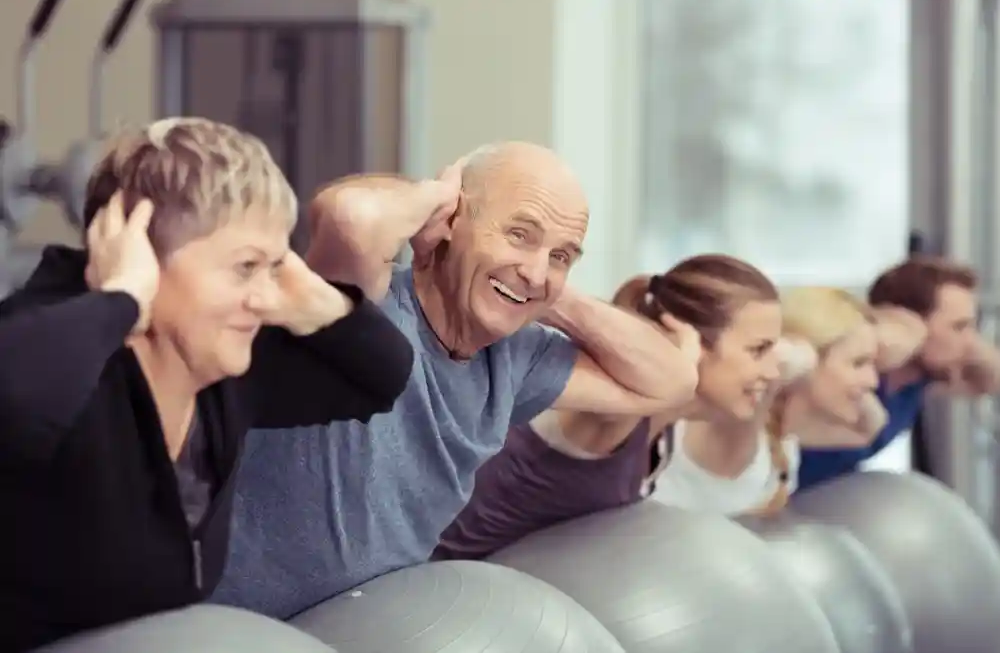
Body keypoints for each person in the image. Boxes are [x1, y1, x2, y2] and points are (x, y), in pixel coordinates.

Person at [211, 141, 702, 619]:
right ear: (452, 223)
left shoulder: (518, 359)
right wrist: (435, 198)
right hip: (231, 629)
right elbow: (351, 218)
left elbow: (672, 382)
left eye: (562, 254)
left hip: (362, 631)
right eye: (519, 234)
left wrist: (550, 293)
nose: (537, 268)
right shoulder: (363, 308)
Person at [0, 118, 414, 652]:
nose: (265, 296)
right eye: (244, 267)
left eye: (274, 264)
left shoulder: (222, 368)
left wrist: (320, 299)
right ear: (142, 256)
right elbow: (12, 396)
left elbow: (382, 378)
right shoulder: (56, 352)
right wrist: (121, 300)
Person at [433, 254, 784, 560]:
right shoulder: (615, 412)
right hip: (432, 592)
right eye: (758, 350)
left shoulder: (663, 429)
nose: (772, 372)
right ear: (694, 343)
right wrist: (676, 364)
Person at [649, 286, 915, 515]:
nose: (872, 382)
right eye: (859, 363)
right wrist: (799, 355)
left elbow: (870, 427)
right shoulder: (737, 421)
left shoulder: (784, 440)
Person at [797, 256, 1000, 490]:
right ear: (907, 321)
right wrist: (906, 330)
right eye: (959, 326)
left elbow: (991, 379)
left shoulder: (918, 381)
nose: (970, 342)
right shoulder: (850, 374)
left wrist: (963, 338)